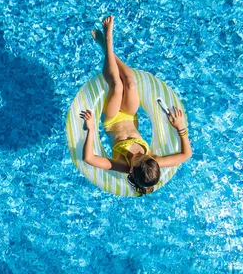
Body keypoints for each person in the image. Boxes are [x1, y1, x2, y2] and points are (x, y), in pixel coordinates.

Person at [79, 15, 192, 195]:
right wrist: (180, 128)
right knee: (130, 82)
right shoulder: (152, 161)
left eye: (139, 158)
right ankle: (106, 49)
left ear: (132, 170)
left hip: (111, 119)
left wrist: (91, 129)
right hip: (130, 115)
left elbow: (89, 158)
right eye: (144, 155)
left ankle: (108, 42)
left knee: (117, 85)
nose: (140, 155)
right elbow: (186, 155)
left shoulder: (122, 165)